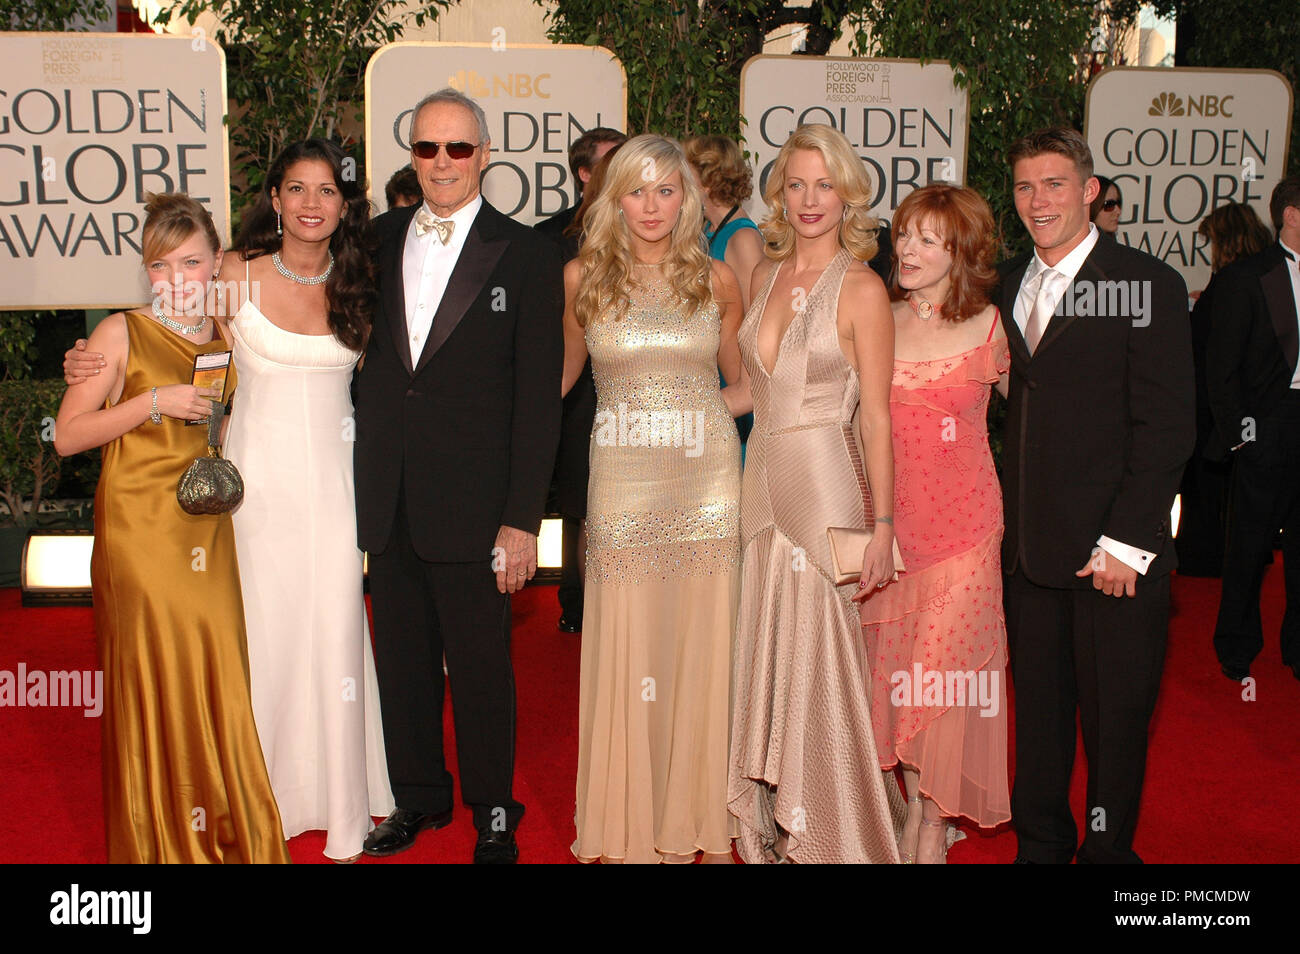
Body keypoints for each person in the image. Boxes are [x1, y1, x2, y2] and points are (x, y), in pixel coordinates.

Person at [65, 141, 397, 863]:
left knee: (336, 629)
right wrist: (87, 358)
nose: (312, 203)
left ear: (344, 204)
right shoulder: (232, 277)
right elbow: (164, 325)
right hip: (246, 490)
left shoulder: (365, 280)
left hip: (336, 486)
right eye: (296, 189)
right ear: (274, 200)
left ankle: (342, 804)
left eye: (327, 190)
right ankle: (256, 796)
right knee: (259, 636)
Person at [354, 88, 563, 864]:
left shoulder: (529, 254)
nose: (443, 163)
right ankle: (417, 799)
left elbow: (539, 399)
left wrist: (521, 519)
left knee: (481, 669)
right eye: (427, 148)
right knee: (401, 662)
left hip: (478, 508)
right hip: (390, 494)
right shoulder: (373, 240)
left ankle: (494, 809)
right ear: (411, 155)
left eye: (459, 148)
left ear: (485, 155)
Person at [53, 193, 290, 864]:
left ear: (216, 262)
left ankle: (223, 832)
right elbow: (69, 436)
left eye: (191, 262)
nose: (178, 279)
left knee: (215, 670)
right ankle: (160, 843)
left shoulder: (218, 324)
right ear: (147, 272)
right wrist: (149, 402)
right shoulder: (119, 332)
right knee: (157, 676)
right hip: (141, 532)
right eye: (161, 266)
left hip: (207, 527)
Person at [999, 128, 1193, 864]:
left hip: (1113, 554)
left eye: (1053, 184)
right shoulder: (1006, 279)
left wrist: (1126, 542)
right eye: (1024, 186)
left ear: (1089, 191)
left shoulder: (1145, 284)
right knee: (1040, 721)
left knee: (1116, 723)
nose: (1037, 200)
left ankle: (1109, 859)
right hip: (1029, 552)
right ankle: (1042, 848)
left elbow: (1169, 424)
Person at [724, 123, 904, 864]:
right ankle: (773, 816)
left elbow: (880, 419)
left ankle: (837, 830)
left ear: (848, 193)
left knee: (822, 656)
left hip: (824, 480)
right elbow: (747, 391)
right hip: (758, 477)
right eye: (794, 184)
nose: (808, 200)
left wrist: (885, 525)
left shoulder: (862, 287)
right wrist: (667, 411)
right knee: (766, 644)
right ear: (778, 193)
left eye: (823, 185)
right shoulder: (761, 276)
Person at [561, 134, 743, 863]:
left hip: (706, 485)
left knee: (701, 636)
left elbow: (747, 383)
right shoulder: (582, 277)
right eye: (636, 189)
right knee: (631, 633)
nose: (651, 206)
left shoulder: (719, 278)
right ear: (613, 197)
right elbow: (557, 384)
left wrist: (692, 418)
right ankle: (631, 815)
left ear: (688, 198)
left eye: (666, 190)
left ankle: (698, 810)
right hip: (622, 487)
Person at [859, 183, 1012, 864]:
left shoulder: (989, 327)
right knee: (897, 680)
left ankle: (927, 823)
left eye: (929, 239)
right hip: (889, 536)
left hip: (967, 537)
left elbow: (1049, 421)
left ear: (962, 252)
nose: (909, 250)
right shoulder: (876, 316)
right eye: (905, 234)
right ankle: (912, 809)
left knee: (940, 683)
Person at [1205, 177, 1300, 681]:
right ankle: (1237, 644)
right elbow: (1221, 368)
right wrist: (1241, 434)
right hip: (1266, 424)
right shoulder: (1248, 276)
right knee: (1249, 541)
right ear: (1292, 215)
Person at [537, 128, 625, 634]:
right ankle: (578, 600)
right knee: (580, 501)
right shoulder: (550, 240)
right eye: (612, 162)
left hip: (636, 393)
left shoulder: (659, 239)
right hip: (575, 392)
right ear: (585, 173)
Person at [1178, 202, 1274, 577]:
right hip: (1250, 404)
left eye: (1212, 241)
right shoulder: (1266, 279)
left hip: (1215, 404)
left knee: (1207, 486)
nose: (1210, 250)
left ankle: (1204, 558)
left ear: (1226, 241)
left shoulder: (1231, 282)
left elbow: (1211, 348)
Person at [685, 134, 760, 452]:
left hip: (737, 381)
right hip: (711, 373)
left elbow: (756, 321)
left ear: (706, 180)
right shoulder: (708, 231)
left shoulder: (742, 237)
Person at [536, 127, 626, 262]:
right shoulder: (550, 234)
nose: (622, 172)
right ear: (585, 174)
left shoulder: (642, 225)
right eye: (610, 164)